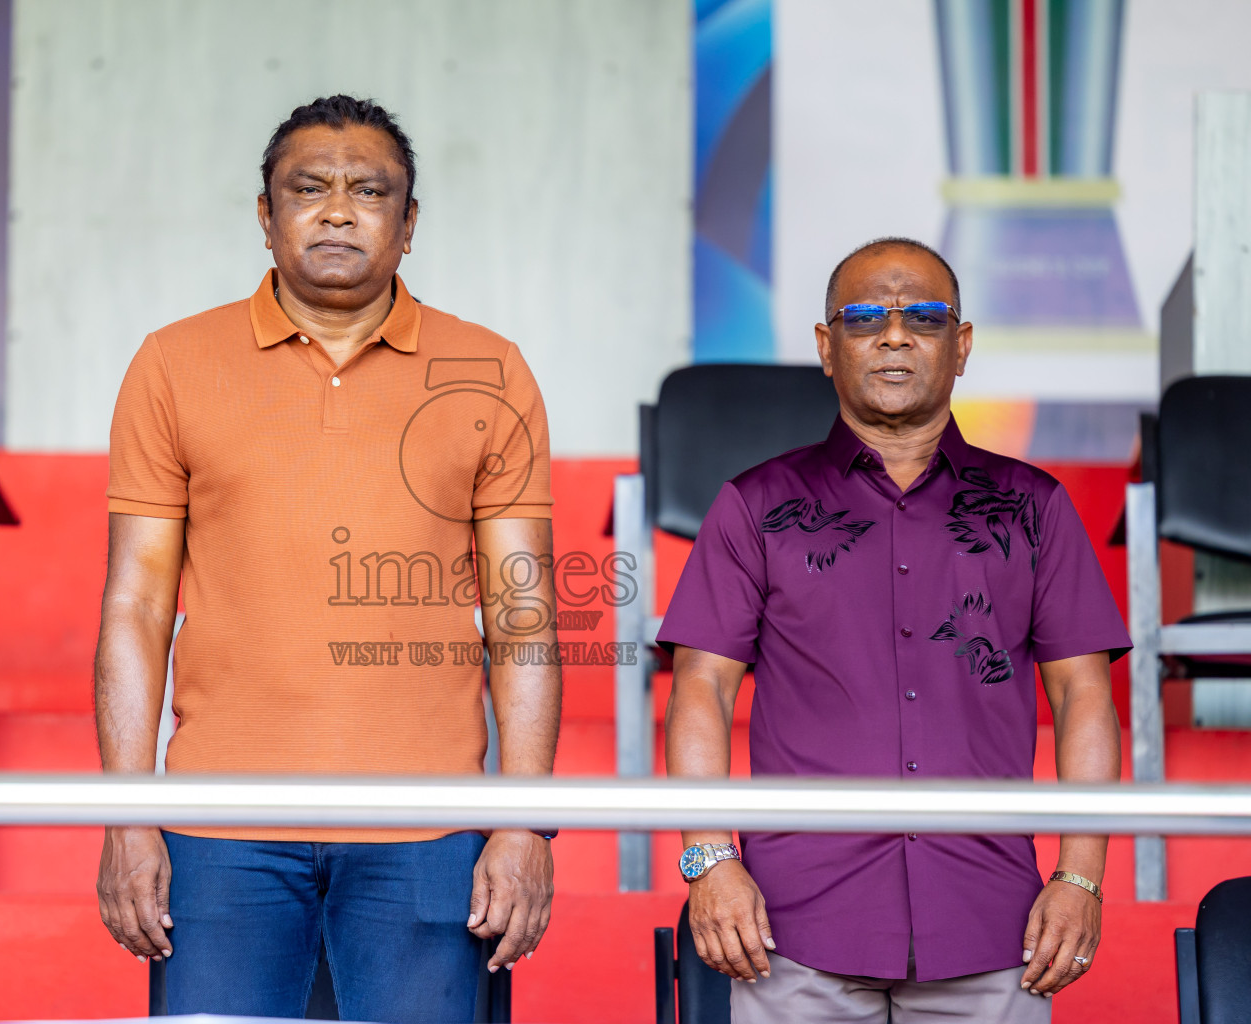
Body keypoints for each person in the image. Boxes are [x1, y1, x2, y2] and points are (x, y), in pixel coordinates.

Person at [94, 95, 561, 1023]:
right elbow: (136, 606)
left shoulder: (490, 368)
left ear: (410, 223)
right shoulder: (173, 363)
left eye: (369, 191)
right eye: (307, 189)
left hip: (428, 827)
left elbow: (525, 617)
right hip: (217, 825)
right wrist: (124, 811)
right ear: (266, 217)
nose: (338, 211)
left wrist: (524, 820)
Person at [659, 238, 1131, 1023]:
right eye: (865, 316)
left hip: (991, 923)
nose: (894, 335)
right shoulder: (756, 505)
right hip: (795, 924)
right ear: (826, 347)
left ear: (963, 345)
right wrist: (709, 860)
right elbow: (701, 686)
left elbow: (1085, 693)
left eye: (925, 317)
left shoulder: (1032, 507)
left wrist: (1079, 877)